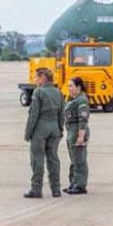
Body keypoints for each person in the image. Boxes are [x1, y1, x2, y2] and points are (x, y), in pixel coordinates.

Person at [24, 67, 64, 199]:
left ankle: (36, 189)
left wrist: (28, 132)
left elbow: (33, 114)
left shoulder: (38, 92)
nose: (35, 80)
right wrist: (60, 129)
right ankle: (56, 189)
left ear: (42, 78)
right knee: (53, 159)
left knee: (37, 158)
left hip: (41, 128)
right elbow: (61, 114)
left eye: (36, 77)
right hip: (54, 128)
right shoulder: (58, 92)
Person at [63, 77, 91, 195]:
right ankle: (73, 183)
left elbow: (83, 119)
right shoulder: (72, 99)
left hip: (78, 130)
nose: (69, 88)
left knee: (79, 159)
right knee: (74, 159)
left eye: (71, 86)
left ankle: (80, 185)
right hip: (71, 130)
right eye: (68, 86)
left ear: (78, 87)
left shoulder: (81, 100)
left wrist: (81, 136)